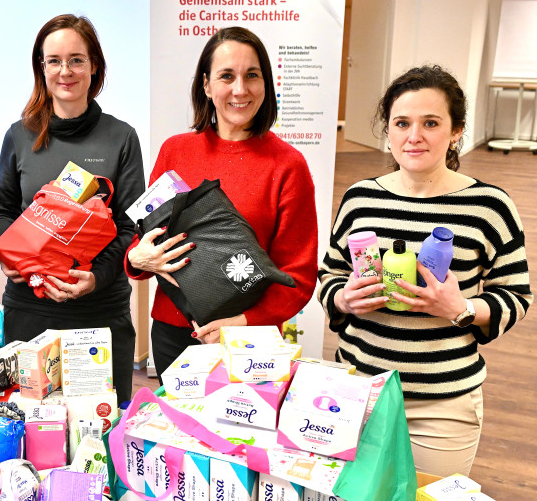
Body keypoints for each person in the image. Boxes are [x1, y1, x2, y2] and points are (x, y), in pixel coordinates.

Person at [317, 65, 532, 476]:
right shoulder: (360, 198)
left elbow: (516, 295)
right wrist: (343, 297)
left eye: (430, 123)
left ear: (456, 131)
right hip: (359, 390)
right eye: (402, 123)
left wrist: (461, 308)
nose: (414, 136)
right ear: (389, 130)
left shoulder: (490, 205)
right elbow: (329, 276)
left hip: (442, 405)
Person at [125, 27, 318, 381]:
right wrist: (135, 259)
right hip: (173, 332)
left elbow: (299, 277)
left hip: (249, 341)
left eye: (252, 75)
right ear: (207, 85)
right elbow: (145, 237)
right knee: (177, 434)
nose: (240, 89)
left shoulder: (288, 165)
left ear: (266, 84)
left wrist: (240, 323)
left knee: (244, 438)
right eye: (227, 76)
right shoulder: (175, 151)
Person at [0, 14, 145, 405]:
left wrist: (96, 278)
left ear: (94, 66)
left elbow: (130, 227)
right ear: (41, 69)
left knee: (100, 431)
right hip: (30, 308)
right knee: (33, 426)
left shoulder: (121, 137)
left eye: (77, 59)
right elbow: (3, 210)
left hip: (99, 311)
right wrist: (7, 252)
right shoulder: (19, 135)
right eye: (54, 60)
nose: (66, 71)